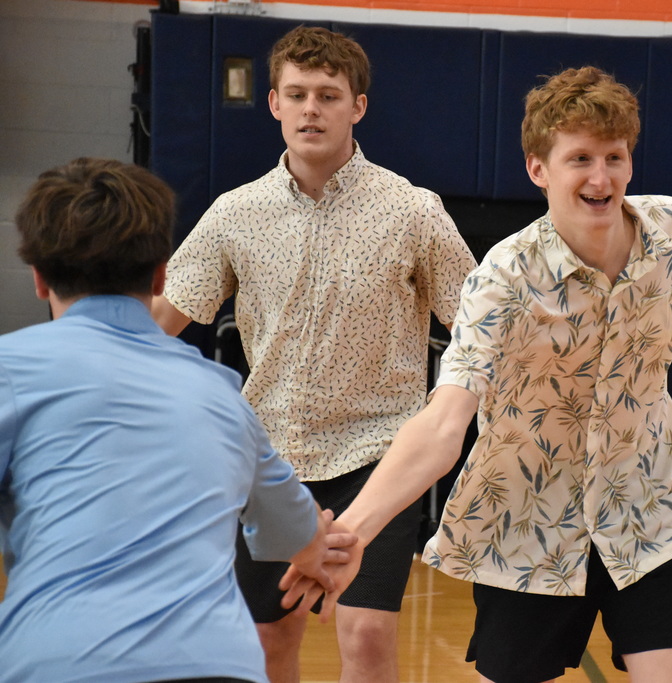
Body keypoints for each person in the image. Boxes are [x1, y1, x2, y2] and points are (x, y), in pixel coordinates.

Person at [287, 65, 672, 683]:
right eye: (580, 158)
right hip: (530, 528)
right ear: (540, 170)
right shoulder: (503, 281)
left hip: (648, 516)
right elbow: (444, 422)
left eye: (614, 157)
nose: (600, 176)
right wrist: (350, 534)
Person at [150, 25, 477, 683]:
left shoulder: (414, 210)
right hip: (269, 458)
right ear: (272, 103)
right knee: (269, 641)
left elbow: (479, 322)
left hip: (378, 453)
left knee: (366, 635)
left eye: (328, 95)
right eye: (296, 94)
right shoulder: (233, 214)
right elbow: (159, 321)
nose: (310, 109)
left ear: (358, 106)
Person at [0, 158, 354, 683]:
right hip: (216, 667)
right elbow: (299, 536)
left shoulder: (9, 371)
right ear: (162, 273)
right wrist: (324, 543)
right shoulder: (222, 393)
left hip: (56, 664)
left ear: (38, 278)